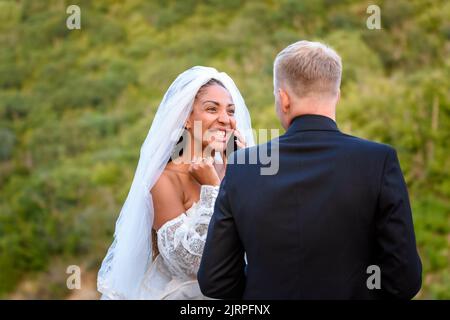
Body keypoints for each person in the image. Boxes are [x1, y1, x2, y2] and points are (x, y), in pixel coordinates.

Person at [198, 41, 422, 299]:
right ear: (337, 95)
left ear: (283, 98)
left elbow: (215, 280)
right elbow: (404, 280)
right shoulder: (379, 160)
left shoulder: (242, 166)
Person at [97, 66, 254, 299]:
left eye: (230, 111)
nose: (225, 119)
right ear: (187, 119)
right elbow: (190, 263)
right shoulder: (163, 180)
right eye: (212, 109)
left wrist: (242, 173)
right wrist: (212, 189)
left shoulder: (235, 170)